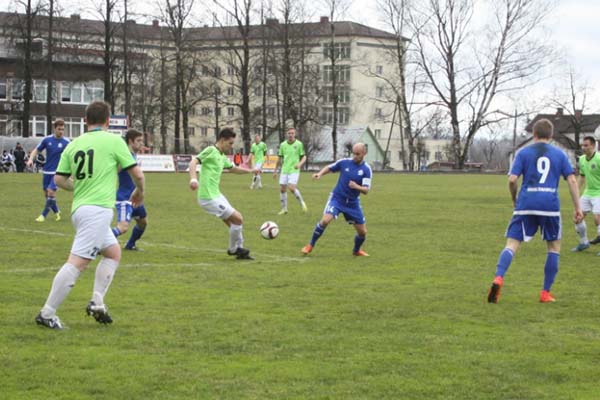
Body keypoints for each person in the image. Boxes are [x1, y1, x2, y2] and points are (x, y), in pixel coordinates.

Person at [35, 101, 145, 330]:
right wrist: (140, 191)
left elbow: (58, 180)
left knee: (113, 253)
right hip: (97, 210)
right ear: (107, 121)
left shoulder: (74, 144)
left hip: (80, 210)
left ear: (86, 121)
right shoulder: (114, 140)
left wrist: (81, 187)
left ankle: (97, 301)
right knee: (78, 263)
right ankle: (47, 313)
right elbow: (138, 174)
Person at [487, 119, 583, 304]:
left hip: (526, 204)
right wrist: (578, 207)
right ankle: (545, 293)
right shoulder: (560, 154)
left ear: (534, 134)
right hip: (549, 206)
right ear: (551, 135)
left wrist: (514, 199)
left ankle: (499, 277)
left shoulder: (523, 153)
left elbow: (512, 180)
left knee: (512, 244)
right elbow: (571, 181)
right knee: (553, 249)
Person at [188, 128, 257, 260]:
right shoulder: (210, 151)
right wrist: (193, 179)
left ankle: (240, 250)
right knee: (238, 218)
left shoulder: (221, 156)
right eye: (230, 143)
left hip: (217, 195)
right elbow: (193, 162)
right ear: (222, 140)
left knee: (234, 224)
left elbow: (234, 169)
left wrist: (251, 170)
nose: (231, 147)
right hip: (208, 197)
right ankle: (233, 249)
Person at [301, 143, 372, 256]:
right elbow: (330, 168)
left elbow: (366, 190)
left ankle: (356, 250)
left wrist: (356, 186)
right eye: (353, 153)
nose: (355, 156)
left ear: (364, 153)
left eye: (358, 154)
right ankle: (310, 245)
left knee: (362, 232)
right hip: (337, 199)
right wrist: (320, 174)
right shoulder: (344, 162)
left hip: (353, 203)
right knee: (325, 221)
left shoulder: (366, 169)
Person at [111, 129, 148, 251]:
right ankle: (98, 244)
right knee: (123, 227)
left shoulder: (132, 155)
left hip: (135, 198)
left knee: (143, 222)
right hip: (124, 198)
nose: (141, 143)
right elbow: (115, 170)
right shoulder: (125, 156)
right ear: (130, 141)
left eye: (142, 140)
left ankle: (130, 244)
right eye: (138, 141)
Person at [27, 119, 70, 222]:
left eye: (63, 129)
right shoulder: (47, 140)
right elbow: (36, 150)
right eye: (59, 129)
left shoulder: (67, 142)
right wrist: (30, 159)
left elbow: (72, 156)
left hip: (58, 173)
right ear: (54, 128)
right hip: (47, 171)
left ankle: (43, 215)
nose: (61, 131)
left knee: (51, 192)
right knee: (47, 194)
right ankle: (57, 211)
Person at [571, 136, 600, 253]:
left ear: (593, 146)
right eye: (583, 145)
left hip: (599, 192)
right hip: (588, 192)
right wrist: (576, 191)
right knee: (577, 217)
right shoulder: (582, 159)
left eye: (586, 145)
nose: (583, 147)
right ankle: (584, 243)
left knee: (597, 217)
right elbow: (582, 176)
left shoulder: (598, 158)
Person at [273, 127, 307, 214]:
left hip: (294, 170)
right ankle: (284, 209)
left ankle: (302, 203)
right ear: (287, 134)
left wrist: (299, 164)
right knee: (282, 189)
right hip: (284, 170)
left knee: (291, 188)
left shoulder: (299, 144)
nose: (291, 135)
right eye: (289, 133)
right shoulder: (283, 145)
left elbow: (304, 156)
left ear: (294, 134)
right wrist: (275, 171)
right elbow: (279, 158)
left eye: (292, 133)